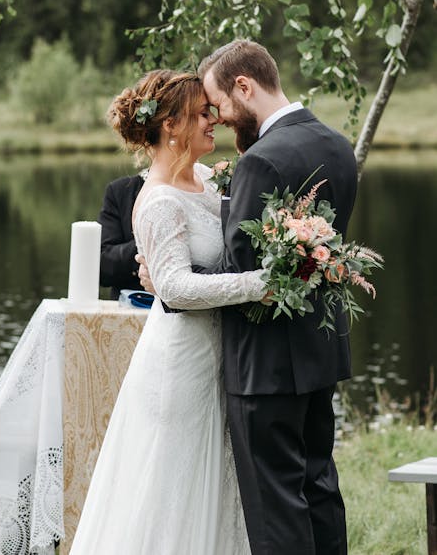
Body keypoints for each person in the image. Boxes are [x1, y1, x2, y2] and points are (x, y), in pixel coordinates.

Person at [69, 69, 269, 555]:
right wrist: (259, 285)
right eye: (203, 113)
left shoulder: (204, 178)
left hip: (220, 353)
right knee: (173, 486)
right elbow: (176, 288)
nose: (215, 120)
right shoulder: (156, 199)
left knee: (219, 484)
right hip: (182, 361)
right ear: (170, 125)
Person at [195, 39, 357, 555]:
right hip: (319, 354)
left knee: (275, 506)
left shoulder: (261, 161)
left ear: (245, 86)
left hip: (265, 364)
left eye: (219, 104)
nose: (219, 119)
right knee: (318, 488)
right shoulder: (337, 144)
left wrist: (172, 278)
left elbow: (238, 271)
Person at [97, 172, 146, 299]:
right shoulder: (122, 190)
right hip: (133, 307)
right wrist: (151, 241)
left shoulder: (203, 187)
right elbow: (103, 267)